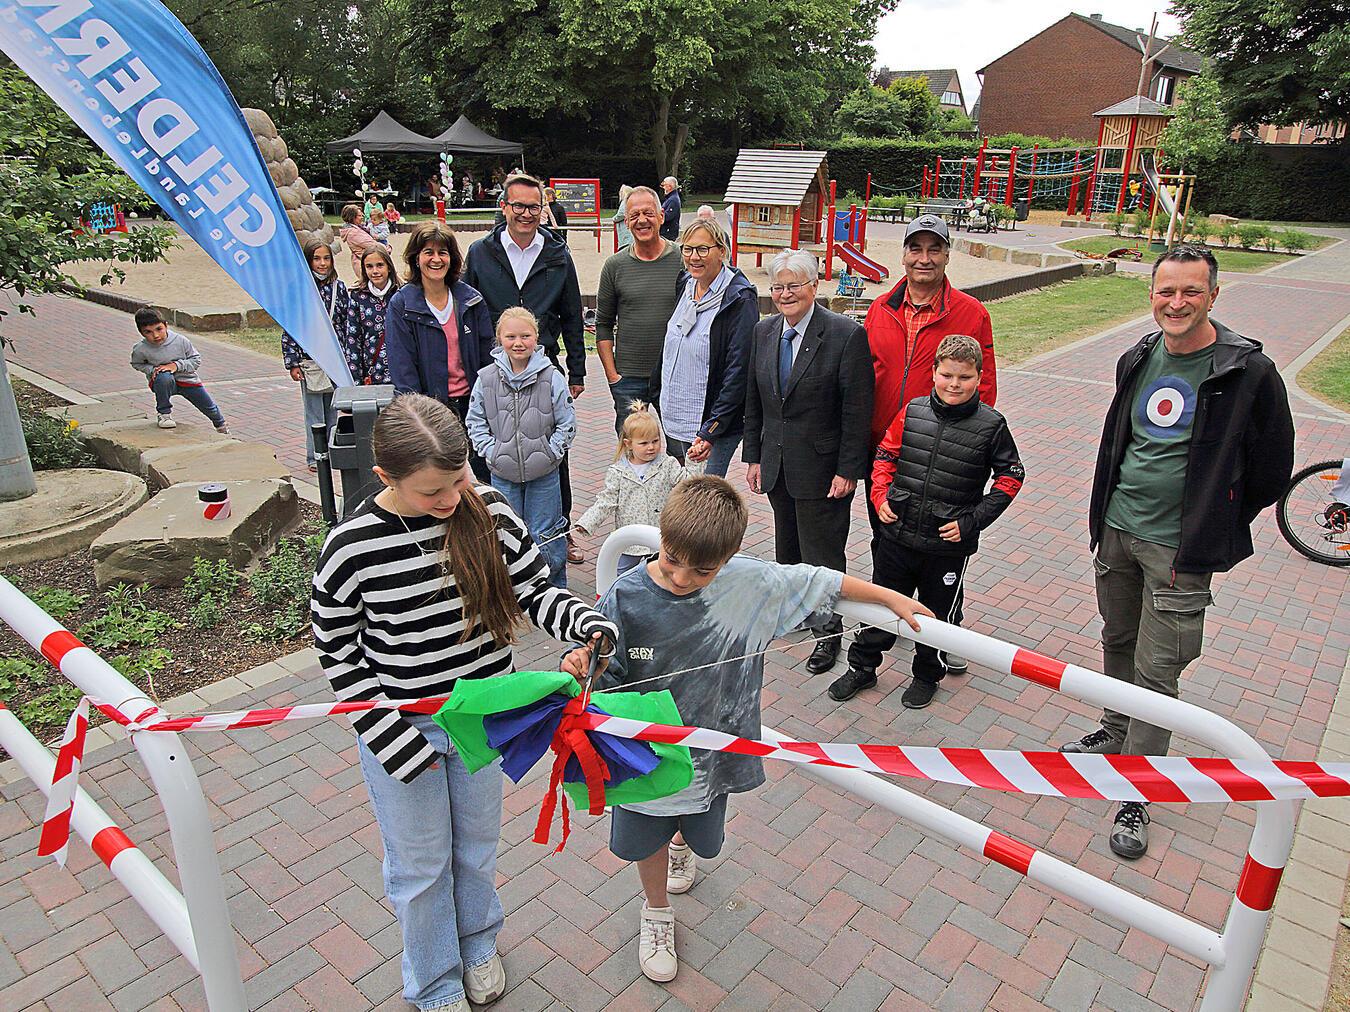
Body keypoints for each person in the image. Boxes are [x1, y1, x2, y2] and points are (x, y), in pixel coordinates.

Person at [312, 393, 615, 1012]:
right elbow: (339, 655)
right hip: (402, 732)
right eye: (431, 491)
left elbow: (535, 591)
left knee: (475, 848)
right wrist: (390, 739)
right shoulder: (351, 548)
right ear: (384, 479)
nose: (450, 499)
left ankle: (478, 944)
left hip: (483, 721)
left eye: (459, 479)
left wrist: (584, 620)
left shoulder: (490, 512)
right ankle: (433, 979)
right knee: (421, 868)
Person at [560, 476, 930, 983]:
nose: (682, 576)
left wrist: (890, 598)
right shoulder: (627, 595)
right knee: (647, 835)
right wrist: (584, 664)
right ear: (662, 538)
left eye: (703, 570)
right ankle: (656, 911)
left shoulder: (751, 583)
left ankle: (683, 844)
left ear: (729, 558)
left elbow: (821, 581)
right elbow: (605, 665)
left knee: (700, 830)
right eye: (671, 558)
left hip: (716, 752)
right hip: (644, 756)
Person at [1062, 244, 1294, 859]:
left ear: (1213, 295)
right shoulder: (1138, 357)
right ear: (1152, 294)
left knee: (1158, 673)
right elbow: (1123, 441)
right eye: (1166, 291)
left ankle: (1138, 788)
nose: (1177, 302)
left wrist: (1214, 521)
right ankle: (1114, 731)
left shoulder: (1247, 373)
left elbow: (1274, 469)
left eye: (1191, 291)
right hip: (1119, 529)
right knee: (1118, 641)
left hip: (1179, 551)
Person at [836, 335, 1025, 707]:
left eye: (965, 377)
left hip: (947, 546)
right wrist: (879, 497)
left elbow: (1011, 477)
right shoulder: (912, 411)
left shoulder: (992, 425)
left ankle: (927, 675)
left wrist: (973, 522)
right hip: (897, 535)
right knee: (881, 606)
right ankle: (862, 667)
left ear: (979, 379)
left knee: (938, 617)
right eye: (948, 375)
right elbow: (885, 457)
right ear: (933, 373)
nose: (955, 384)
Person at [863, 213, 998, 674]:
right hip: (884, 452)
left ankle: (946, 634)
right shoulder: (880, 308)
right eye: (915, 249)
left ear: (946, 255)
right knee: (888, 545)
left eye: (934, 249)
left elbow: (986, 390)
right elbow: (868, 377)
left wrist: (967, 451)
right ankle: (890, 621)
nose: (924, 258)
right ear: (903, 254)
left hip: (944, 460)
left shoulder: (971, 313)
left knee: (944, 557)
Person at [743, 249, 874, 676]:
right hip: (777, 465)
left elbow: (857, 410)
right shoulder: (763, 332)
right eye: (777, 286)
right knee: (788, 550)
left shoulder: (844, 334)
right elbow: (755, 402)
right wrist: (754, 457)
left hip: (823, 470)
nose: (784, 294)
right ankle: (796, 613)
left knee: (823, 555)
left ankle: (828, 631)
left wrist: (848, 469)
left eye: (794, 286)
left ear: (814, 288)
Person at [463, 172, 587, 560]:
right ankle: (498, 538)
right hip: (496, 367)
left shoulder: (556, 253)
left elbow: (571, 312)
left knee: (551, 454)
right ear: (504, 207)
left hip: (544, 364)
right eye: (518, 206)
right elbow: (468, 310)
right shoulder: (481, 253)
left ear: (542, 208)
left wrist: (578, 369)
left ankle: (557, 531)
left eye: (534, 207)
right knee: (499, 450)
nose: (526, 214)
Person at [466, 308, 575, 587]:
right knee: (505, 532)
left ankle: (552, 588)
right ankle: (510, 589)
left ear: (536, 338)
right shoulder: (486, 378)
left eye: (525, 336)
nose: (518, 342)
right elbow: (475, 420)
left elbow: (566, 421)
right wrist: (490, 451)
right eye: (511, 336)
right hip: (502, 473)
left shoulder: (551, 377)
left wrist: (552, 452)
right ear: (499, 338)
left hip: (544, 472)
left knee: (547, 532)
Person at [384, 221, 494, 480]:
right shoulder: (402, 305)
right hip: (431, 408)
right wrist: (418, 417)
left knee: (478, 479)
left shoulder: (471, 300)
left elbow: (487, 355)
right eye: (428, 252)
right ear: (416, 258)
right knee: (441, 478)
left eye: (442, 252)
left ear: (452, 258)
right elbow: (403, 368)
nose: (436, 259)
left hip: (472, 405)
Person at [649, 217, 757, 479]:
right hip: (675, 414)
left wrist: (711, 428)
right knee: (683, 490)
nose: (693, 257)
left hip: (712, 423)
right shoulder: (686, 284)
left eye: (702, 249)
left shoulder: (739, 299)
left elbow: (738, 370)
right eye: (687, 249)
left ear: (722, 251)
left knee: (703, 498)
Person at [595, 185, 683, 435]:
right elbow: (602, 323)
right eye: (634, 215)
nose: (642, 220)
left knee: (682, 451)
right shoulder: (615, 266)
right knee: (632, 453)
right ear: (626, 221)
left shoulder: (683, 260)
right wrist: (613, 376)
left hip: (674, 375)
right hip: (629, 378)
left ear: (661, 216)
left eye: (648, 213)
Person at [574, 402, 692, 575]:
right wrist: (587, 523)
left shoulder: (668, 464)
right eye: (643, 443)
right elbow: (606, 501)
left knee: (662, 574)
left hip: (660, 536)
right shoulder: (618, 471)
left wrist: (695, 461)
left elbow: (687, 483)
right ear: (628, 443)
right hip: (629, 540)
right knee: (623, 574)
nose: (651, 447)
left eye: (655, 441)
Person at [282, 238, 346, 471]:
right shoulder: (299, 289)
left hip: (335, 359)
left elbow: (346, 323)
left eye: (326, 258)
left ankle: (332, 452)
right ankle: (315, 456)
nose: (322, 263)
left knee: (333, 410)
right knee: (314, 412)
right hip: (310, 359)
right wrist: (292, 361)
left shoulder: (339, 288)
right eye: (317, 258)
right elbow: (290, 327)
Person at [130, 308, 229, 433]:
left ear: (166, 326)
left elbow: (196, 360)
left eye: (159, 329)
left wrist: (176, 366)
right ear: (141, 333)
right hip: (163, 383)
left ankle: (221, 427)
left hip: (187, 380)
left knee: (210, 407)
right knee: (164, 376)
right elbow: (137, 364)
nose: (155, 335)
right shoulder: (140, 349)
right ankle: (164, 414)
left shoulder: (180, 341)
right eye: (148, 332)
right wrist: (152, 369)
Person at [344, 246, 399, 386]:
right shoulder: (358, 296)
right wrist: (356, 379)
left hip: (401, 373)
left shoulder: (402, 294)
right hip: (373, 373)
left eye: (380, 265)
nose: (375, 271)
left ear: (389, 267)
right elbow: (353, 339)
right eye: (369, 266)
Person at [339, 203, 387, 278]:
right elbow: (374, 246)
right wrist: (387, 247)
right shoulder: (354, 233)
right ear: (352, 217)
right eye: (359, 215)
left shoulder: (359, 228)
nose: (362, 217)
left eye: (362, 215)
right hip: (365, 265)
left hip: (367, 262)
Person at [659, 176, 682, 242]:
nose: (663, 187)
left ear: (669, 187)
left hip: (668, 233)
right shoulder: (670, 198)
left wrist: (657, 214)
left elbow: (668, 216)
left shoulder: (673, 200)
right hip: (667, 232)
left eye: (664, 185)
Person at [613, 184, 635, 249]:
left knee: (626, 245)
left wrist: (614, 218)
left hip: (625, 229)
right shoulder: (632, 201)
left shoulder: (625, 201)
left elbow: (621, 214)